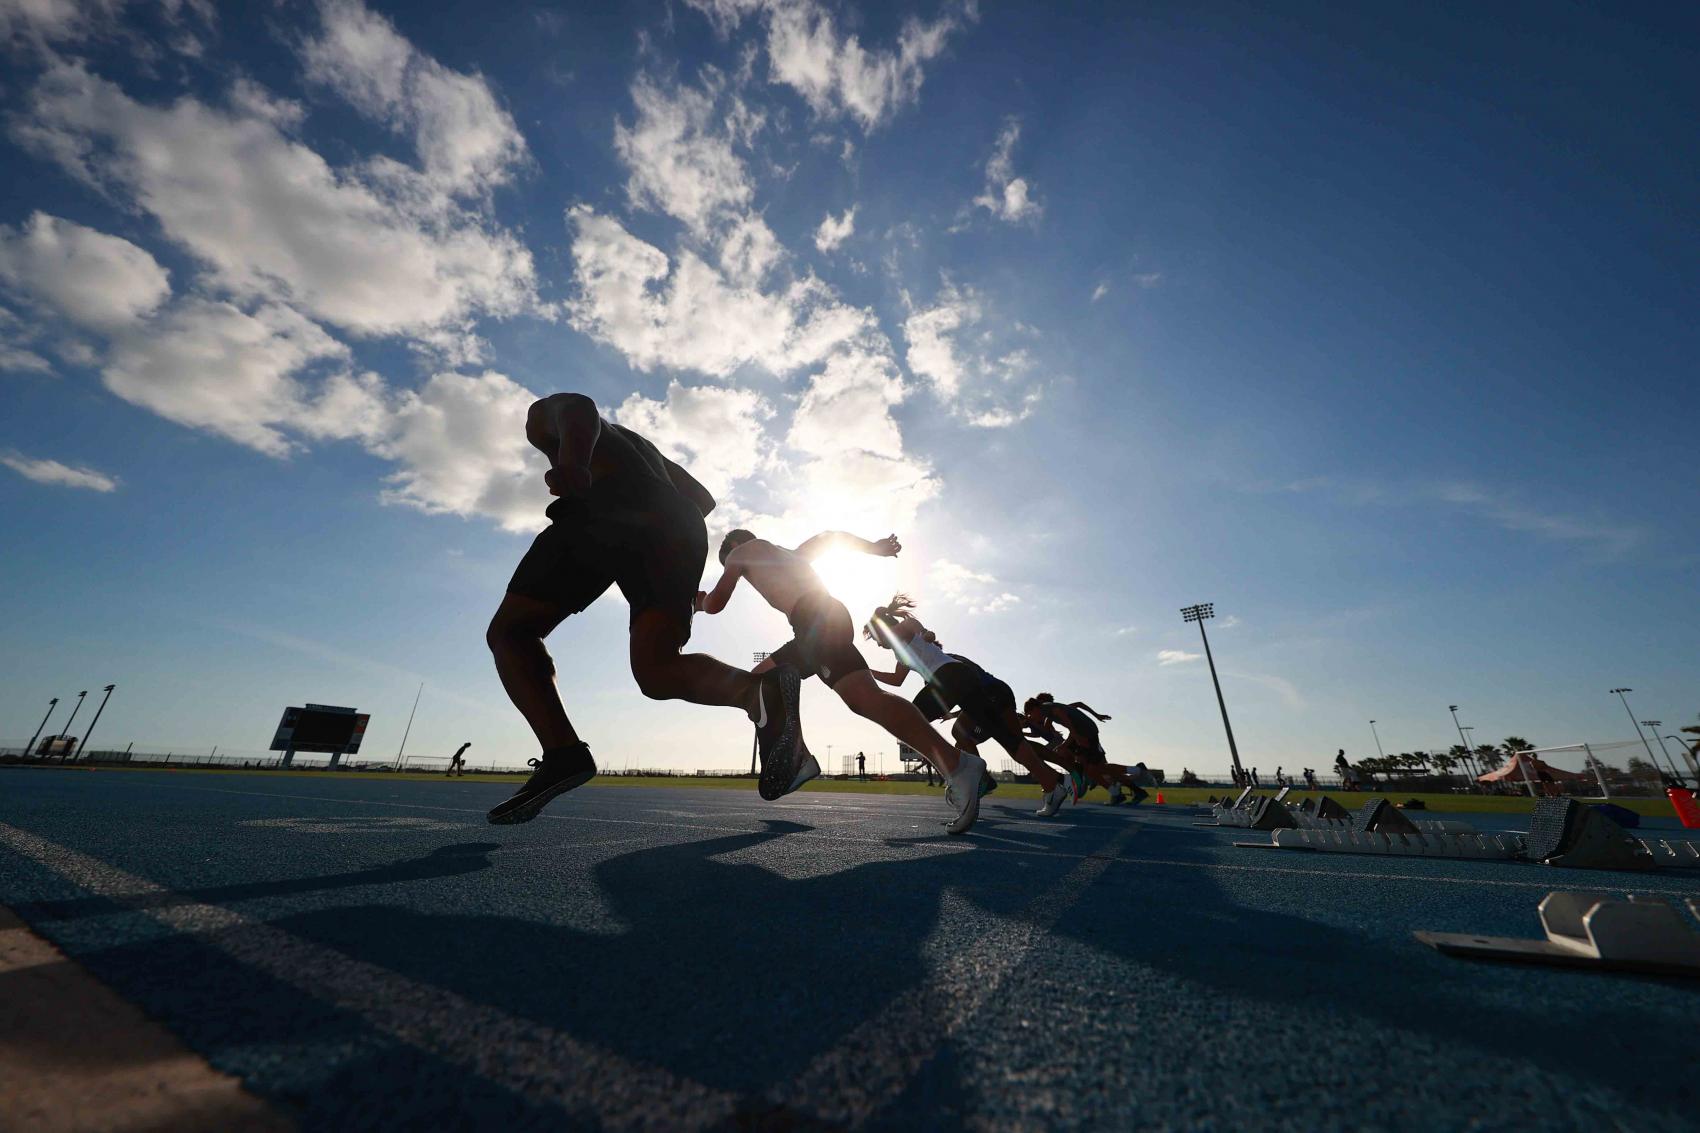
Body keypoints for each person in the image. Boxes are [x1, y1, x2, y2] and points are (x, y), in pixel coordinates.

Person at [484, 393, 806, 824]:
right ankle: (756, 692)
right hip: (680, 526)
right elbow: (704, 499)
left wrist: (575, 466)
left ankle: (563, 753)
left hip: (607, 510)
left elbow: (578, 406)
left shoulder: (541, 417)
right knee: (656, 671)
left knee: (513, 632)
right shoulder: (643, 449)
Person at [699, 530, 986, 833]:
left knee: (756, 683)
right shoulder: (790, 553)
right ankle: (959, 765)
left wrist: (699, 603)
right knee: (865, 699)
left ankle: (798, 758)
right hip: (831, 614)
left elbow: (716, 602)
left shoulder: (739, 551)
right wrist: (874, 548)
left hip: (812, 620)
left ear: (732, 547)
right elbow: (830, 538)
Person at [864, 595, 1074, 818]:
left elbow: (918, 628)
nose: (878, 644)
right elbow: (896, 680)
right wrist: (866, 672)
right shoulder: (900, 652)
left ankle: (961, 773)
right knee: (1005, 736)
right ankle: (1052, 784)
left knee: (906, 722)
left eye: (876, 638)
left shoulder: (902, 630)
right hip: (961, 679)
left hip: (948, 677)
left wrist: (925, 633)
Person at [1022, 693, 1156, 806]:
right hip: (1084, 734)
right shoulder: (1049, 715)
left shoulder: (1052, 709)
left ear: (1038, 706)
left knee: (1101, 769)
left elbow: (1070, 722)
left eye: (1031, 714)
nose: (1032, 717)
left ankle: (1136, 773)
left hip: (1086, 735)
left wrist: (1074, 738)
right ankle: (1117, 791)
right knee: (1095, 770)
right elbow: (1046, 729)